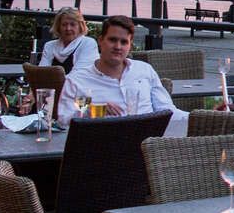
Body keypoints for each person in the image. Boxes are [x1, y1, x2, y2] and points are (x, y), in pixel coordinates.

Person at [57, 14, 185, 132]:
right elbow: (64, 120)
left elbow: (167, 111)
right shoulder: (79, 80)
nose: (118, 47)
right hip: (101, 147)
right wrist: (93, 110)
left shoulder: (144, 71)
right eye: (112, 40)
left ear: (130, 45)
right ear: (100, 41)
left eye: (124, 42)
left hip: (147, 146)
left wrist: (198, 118)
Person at [37, 7, 99, 74]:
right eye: (64, 25)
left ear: (80, 26)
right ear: (58, 27)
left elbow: (81, 74)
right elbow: (41, 73)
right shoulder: (49, 46)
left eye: (72, 24)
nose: (68, 28)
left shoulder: (88, 43)